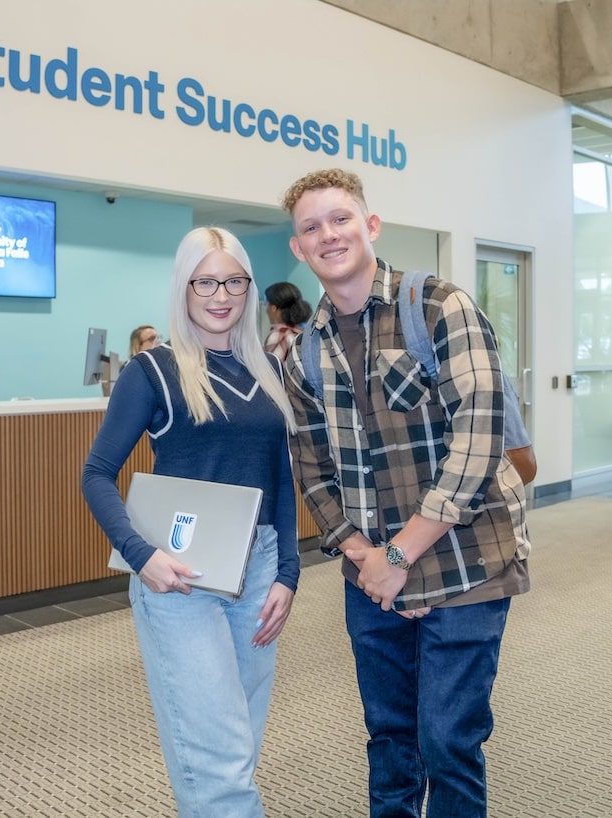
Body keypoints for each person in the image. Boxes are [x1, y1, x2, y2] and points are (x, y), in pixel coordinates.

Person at [280, 168, 530, 818]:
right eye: (311, 227)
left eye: (339, 219)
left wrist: (399, 559)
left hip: (466, 563)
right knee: (390, 744)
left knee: (447, 742)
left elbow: (478, 441)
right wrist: (368, 557)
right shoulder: (302, 353)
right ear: (297, 248)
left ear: (369, 226)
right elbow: (312, 471)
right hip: (369, 577)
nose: (327, 234)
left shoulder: (439, 307)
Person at [81, 226, 299, 818]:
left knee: (235, 749)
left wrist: (288, 574)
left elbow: (280, 478)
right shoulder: (152, 371)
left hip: (257, 571)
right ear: (184, 286)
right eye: (206, 280)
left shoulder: (267, 371)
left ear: (248, 287)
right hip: (178, 577)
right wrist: (140, 554)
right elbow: (96, 474)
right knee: (219, 762)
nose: (220, 293)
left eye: (233, 279)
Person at [262, 281, 312, 362]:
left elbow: (270, 371)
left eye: (266, 304)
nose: (266, 310)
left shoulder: (280, 335)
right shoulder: (303, 331)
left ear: (273, 308)